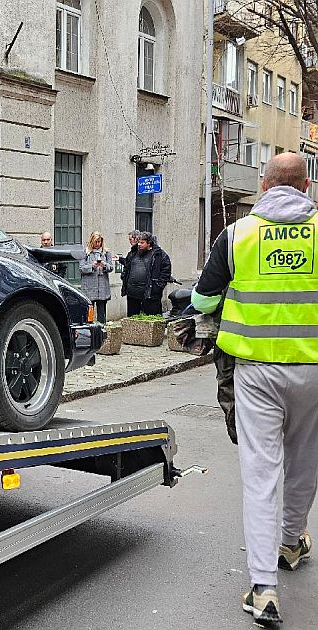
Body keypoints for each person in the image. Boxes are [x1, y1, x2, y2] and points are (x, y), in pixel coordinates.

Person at [191, 152, 318, 626]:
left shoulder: (238, 234)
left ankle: (264, 587)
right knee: (304, 461)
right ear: (306, 186)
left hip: (257, 373)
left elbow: (203, 298)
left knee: (262, 472)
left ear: (264, 187)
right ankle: (291, 542)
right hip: (314, 368)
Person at [120, 231, 171, 315]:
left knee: (151, 320)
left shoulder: (159, 255)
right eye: (139, 242)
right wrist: (124, 278)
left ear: (149, 243)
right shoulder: (133, 253)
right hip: (132, 294)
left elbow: (166, 272)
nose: (139, 244)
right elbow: (127, 266)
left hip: (150, 295)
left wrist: (157, 287)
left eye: (142, 243)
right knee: (133, 321)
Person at [79, 231, 113, 324]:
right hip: (89, 287)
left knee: (102, 313)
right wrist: (92, 266)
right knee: (89, 313)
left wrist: (104, 265)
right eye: (96, 242)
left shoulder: (106, 252)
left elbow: (111, 267)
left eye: (99, 242)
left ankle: (102, 329)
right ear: (92, 241)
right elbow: (81, 268)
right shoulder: (85, 252)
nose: (98, 244)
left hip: (102, 288)